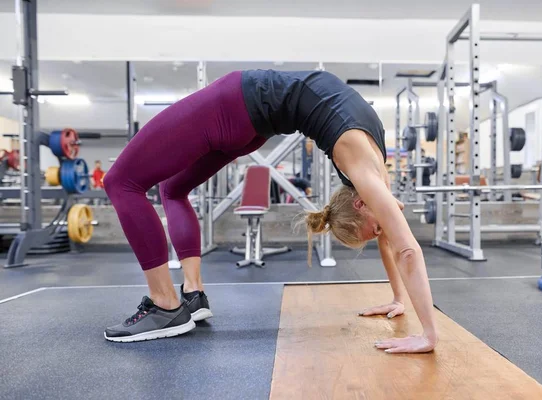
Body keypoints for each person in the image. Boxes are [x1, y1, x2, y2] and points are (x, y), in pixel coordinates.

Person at [103, 70, 438, 353]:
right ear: (362, 204)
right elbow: (403, 247)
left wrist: (408, 310)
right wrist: (422, 326)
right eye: (377, 228)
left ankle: (164, 304)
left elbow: (398, 244)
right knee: (171, 189)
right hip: (247, 121)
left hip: (236, 105)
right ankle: (193, 295)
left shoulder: (370, 173)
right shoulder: (370, 173)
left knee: (120, 181)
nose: (385, 229)